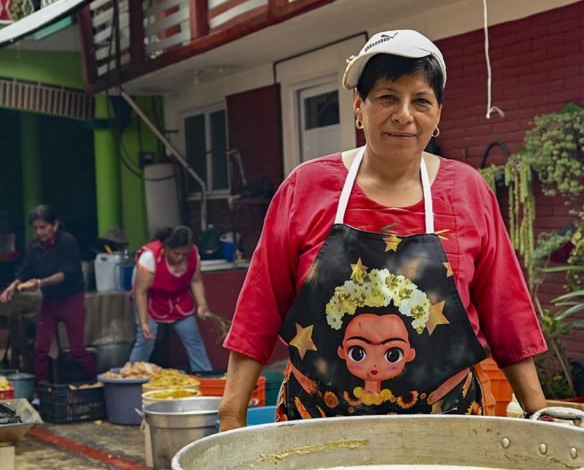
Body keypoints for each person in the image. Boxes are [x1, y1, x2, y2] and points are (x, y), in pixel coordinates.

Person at [218, 30, 547, 430]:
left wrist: (538, 413)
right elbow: (259, 309)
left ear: (438, 113)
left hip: (449, 434)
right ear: (359, 106)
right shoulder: (306, 188)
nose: (404, 114)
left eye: (421, 101)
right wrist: (231, 416)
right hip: (316, 431)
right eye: (388, 97)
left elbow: (507, 312)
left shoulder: (467, 191)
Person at [0, 205, 99, 384]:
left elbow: (66, 273)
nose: (39, 232)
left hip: (71, 299)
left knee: (77, 350)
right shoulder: (35, 245)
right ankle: (41, 393)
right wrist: (13, 286)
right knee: (40, 350)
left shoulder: (67, 242)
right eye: (36, 228)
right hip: (50, 301)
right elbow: (25, 270)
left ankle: (99, 382)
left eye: (43, 227)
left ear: (54, 225)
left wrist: (40, 283)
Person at [128, 225, 213, 373]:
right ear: (166, 247)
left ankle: (205, 376)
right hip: (151, 300)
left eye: (184, 254)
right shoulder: (150, 257)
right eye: (176, 253)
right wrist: (144, 322)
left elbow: (196, 281)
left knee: (194, 339)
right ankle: (131, 378)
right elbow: (141, 292)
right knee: (145, 339)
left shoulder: (193, 254)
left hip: (179, 299)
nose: (180, 258)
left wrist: (202, 304)